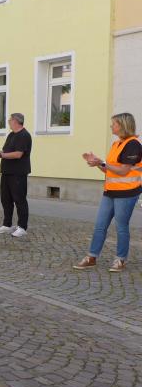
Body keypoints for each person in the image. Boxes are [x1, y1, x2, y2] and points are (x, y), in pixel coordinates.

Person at [73, 113, 141, 272]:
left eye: (114, 124)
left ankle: (120, 259)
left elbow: (123, 171)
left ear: (122, 125)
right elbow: (109, 169)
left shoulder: (133, 144)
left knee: (121, 227)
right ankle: (91, 257)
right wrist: (96, 163)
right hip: (110, 191)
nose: (111, 126)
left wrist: (102, 162)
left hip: (127, 192)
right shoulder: (116, 144)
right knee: (100, 225)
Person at [0, 113, 32, 237]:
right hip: (6, 172)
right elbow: (5, 151)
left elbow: (18, 154)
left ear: (16, 121)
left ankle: (22, 227)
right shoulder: (11, 135)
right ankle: (7, 225)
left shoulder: (24, 135)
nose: (8, 121)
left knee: (19, 200)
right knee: (6, 200)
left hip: (18, 173)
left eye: (10, 119)